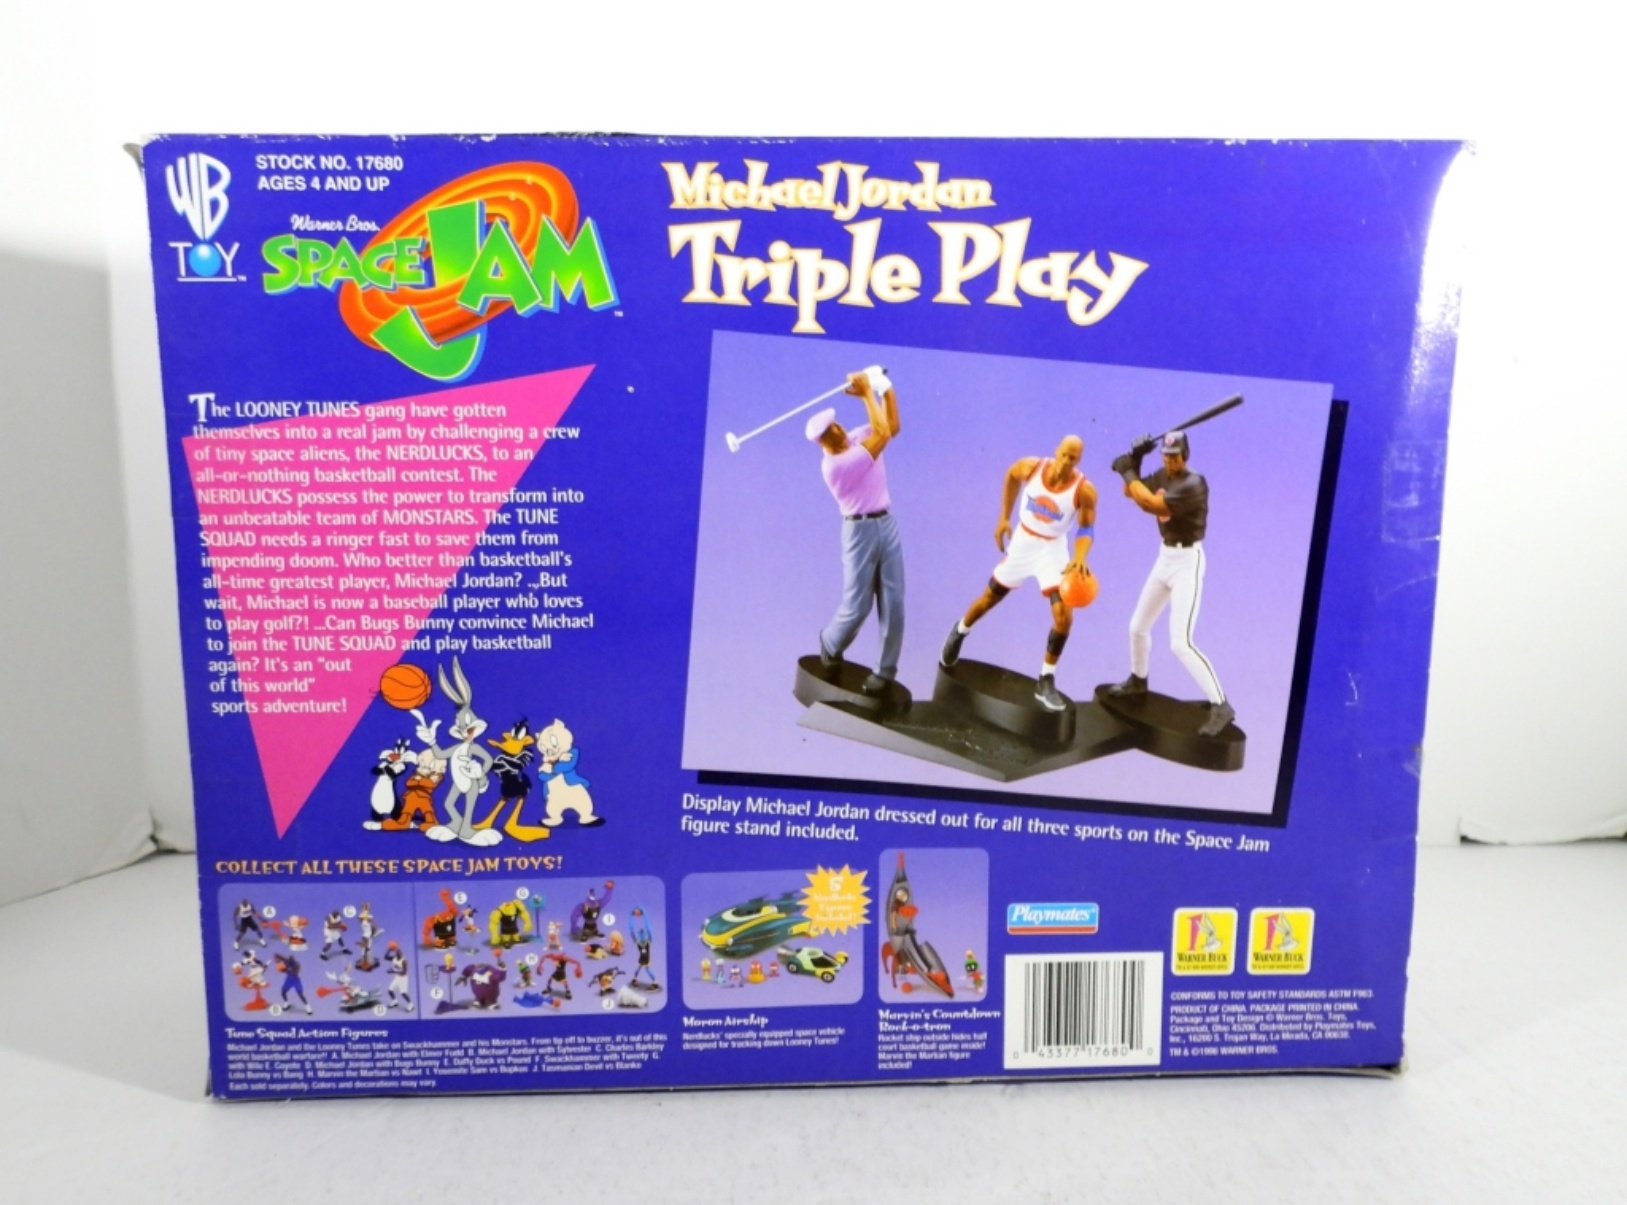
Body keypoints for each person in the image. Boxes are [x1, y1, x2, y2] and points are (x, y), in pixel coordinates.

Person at [939, 435, 1097, 712]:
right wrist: (1003, 517)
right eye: (1063, 454)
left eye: (1072, 458)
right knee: (990, 597)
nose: (1065, 461)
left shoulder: (1084, 490)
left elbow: (1086, 528)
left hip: (1053, 550)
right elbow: (1011, 476)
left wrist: (1080, 557)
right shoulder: (1031, 467)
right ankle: (960, 630)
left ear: (1078, 460)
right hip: (1024, 541)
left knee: (1064, 617)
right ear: (1056, 451)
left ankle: (1046, 678)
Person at [1108, 429, 1234, 737]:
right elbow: (1131, 492)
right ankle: (1138, 681)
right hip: (1164, 558)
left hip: (1187, 562)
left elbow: (1151, 505)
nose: (1169, 461)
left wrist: (1127, 469)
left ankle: (1221, 705)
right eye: (1166, 456)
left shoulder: (1194, 483)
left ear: (1185, 456)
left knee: (1180, 642)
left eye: (1175, 456)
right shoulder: (1162, 475)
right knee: (1137, 627)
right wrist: (1136, 460)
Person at [807, 369, 904, 695]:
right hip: (859, 533)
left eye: (836, 423)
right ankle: (830, 642)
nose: (838, 429)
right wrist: (867, 394)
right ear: (822, 442)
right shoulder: (835, 466)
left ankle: (884, 674)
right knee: (858, 606)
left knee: (894, 601)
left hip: (886, 524)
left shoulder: (858, 437)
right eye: (830, 431)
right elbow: (883, 434)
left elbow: (891, 426)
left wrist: (885, 388)